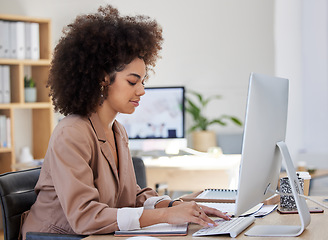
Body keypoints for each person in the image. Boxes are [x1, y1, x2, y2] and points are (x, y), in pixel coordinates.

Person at [21, 5, 230, 240]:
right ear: (102, 78)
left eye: (142, 81)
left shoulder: (117, 130)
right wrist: (165, 217)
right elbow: (85, 217)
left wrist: (176, 206)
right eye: (132, 82)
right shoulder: (71, 133)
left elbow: (130, 197)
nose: (141, 91)